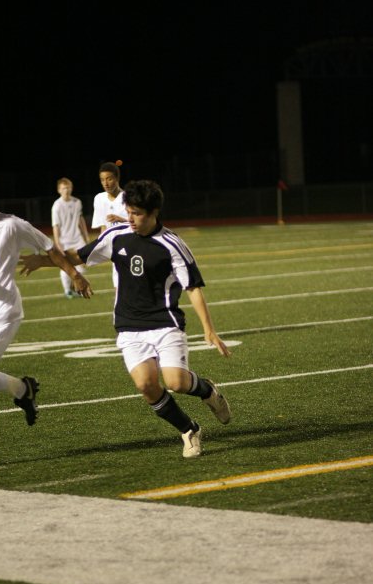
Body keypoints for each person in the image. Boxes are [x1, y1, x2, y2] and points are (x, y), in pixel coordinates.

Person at [20, 179, 231, 458]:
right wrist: (43, 261)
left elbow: (192, 287)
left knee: (177, 383)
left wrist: (209, 329)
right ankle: (189, 429)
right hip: (129, 326)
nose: (130, 218)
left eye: (137, 213)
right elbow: (77, 256)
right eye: (128, 211)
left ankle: (208, 391)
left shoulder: (172, 244)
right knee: (146, 386)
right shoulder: (116, 236)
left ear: (154, 212)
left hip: (166, 324)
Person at [0, 170, 92, 470]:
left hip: (2, 314)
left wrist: (74, 274)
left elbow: (51, 249)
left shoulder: (11, 225)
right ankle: (22, 389)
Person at [91, 162, 128, 288]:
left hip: (132, 247)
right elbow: (103, 227)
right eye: (102, 180)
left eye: (109, 179)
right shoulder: (99, 199)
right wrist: (102, 246)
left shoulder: (128, 198)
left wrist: (121, 219)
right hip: (115, 250)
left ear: (117, 178)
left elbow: (140, 224)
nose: (105, 183)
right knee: (119, 286)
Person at [52, 177, 89, 298]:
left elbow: (80, 220)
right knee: (65, 266)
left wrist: (86, 236)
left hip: (78, 239)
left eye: (68, 187)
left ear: (71, 188)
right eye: (63, 188)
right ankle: (68, 290)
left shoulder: (77, 202)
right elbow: (55, 226)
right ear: (59, 190)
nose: (66, 190)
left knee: (82, 267)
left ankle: (77, 288)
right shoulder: (56, 206)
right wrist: (57, 243)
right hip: (64, 241)